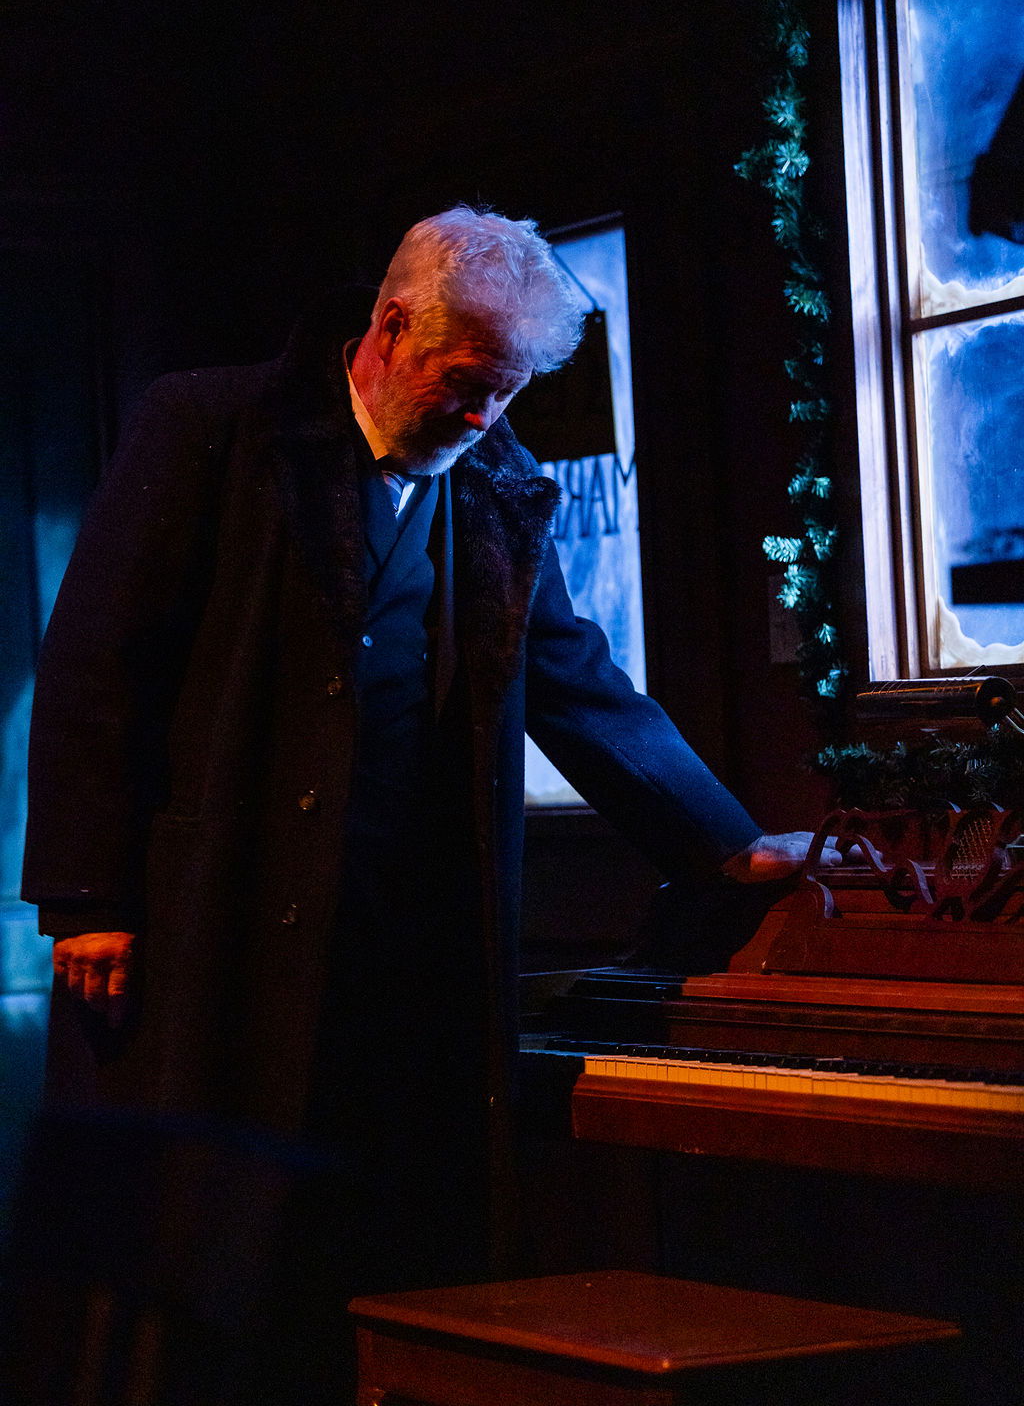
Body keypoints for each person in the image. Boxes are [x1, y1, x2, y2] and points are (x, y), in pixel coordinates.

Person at [21, 206, 838, 1300]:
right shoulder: (215, 426)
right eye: (466, 381)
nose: (483, 413)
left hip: (400, 924)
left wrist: (723, 844)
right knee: (204, 1242)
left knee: (380, 1227)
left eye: (507, 390)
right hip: (216, 907)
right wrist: (87, 897)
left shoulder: (493, 480)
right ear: (393, 325)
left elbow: (571, 675)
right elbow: (97, 657)